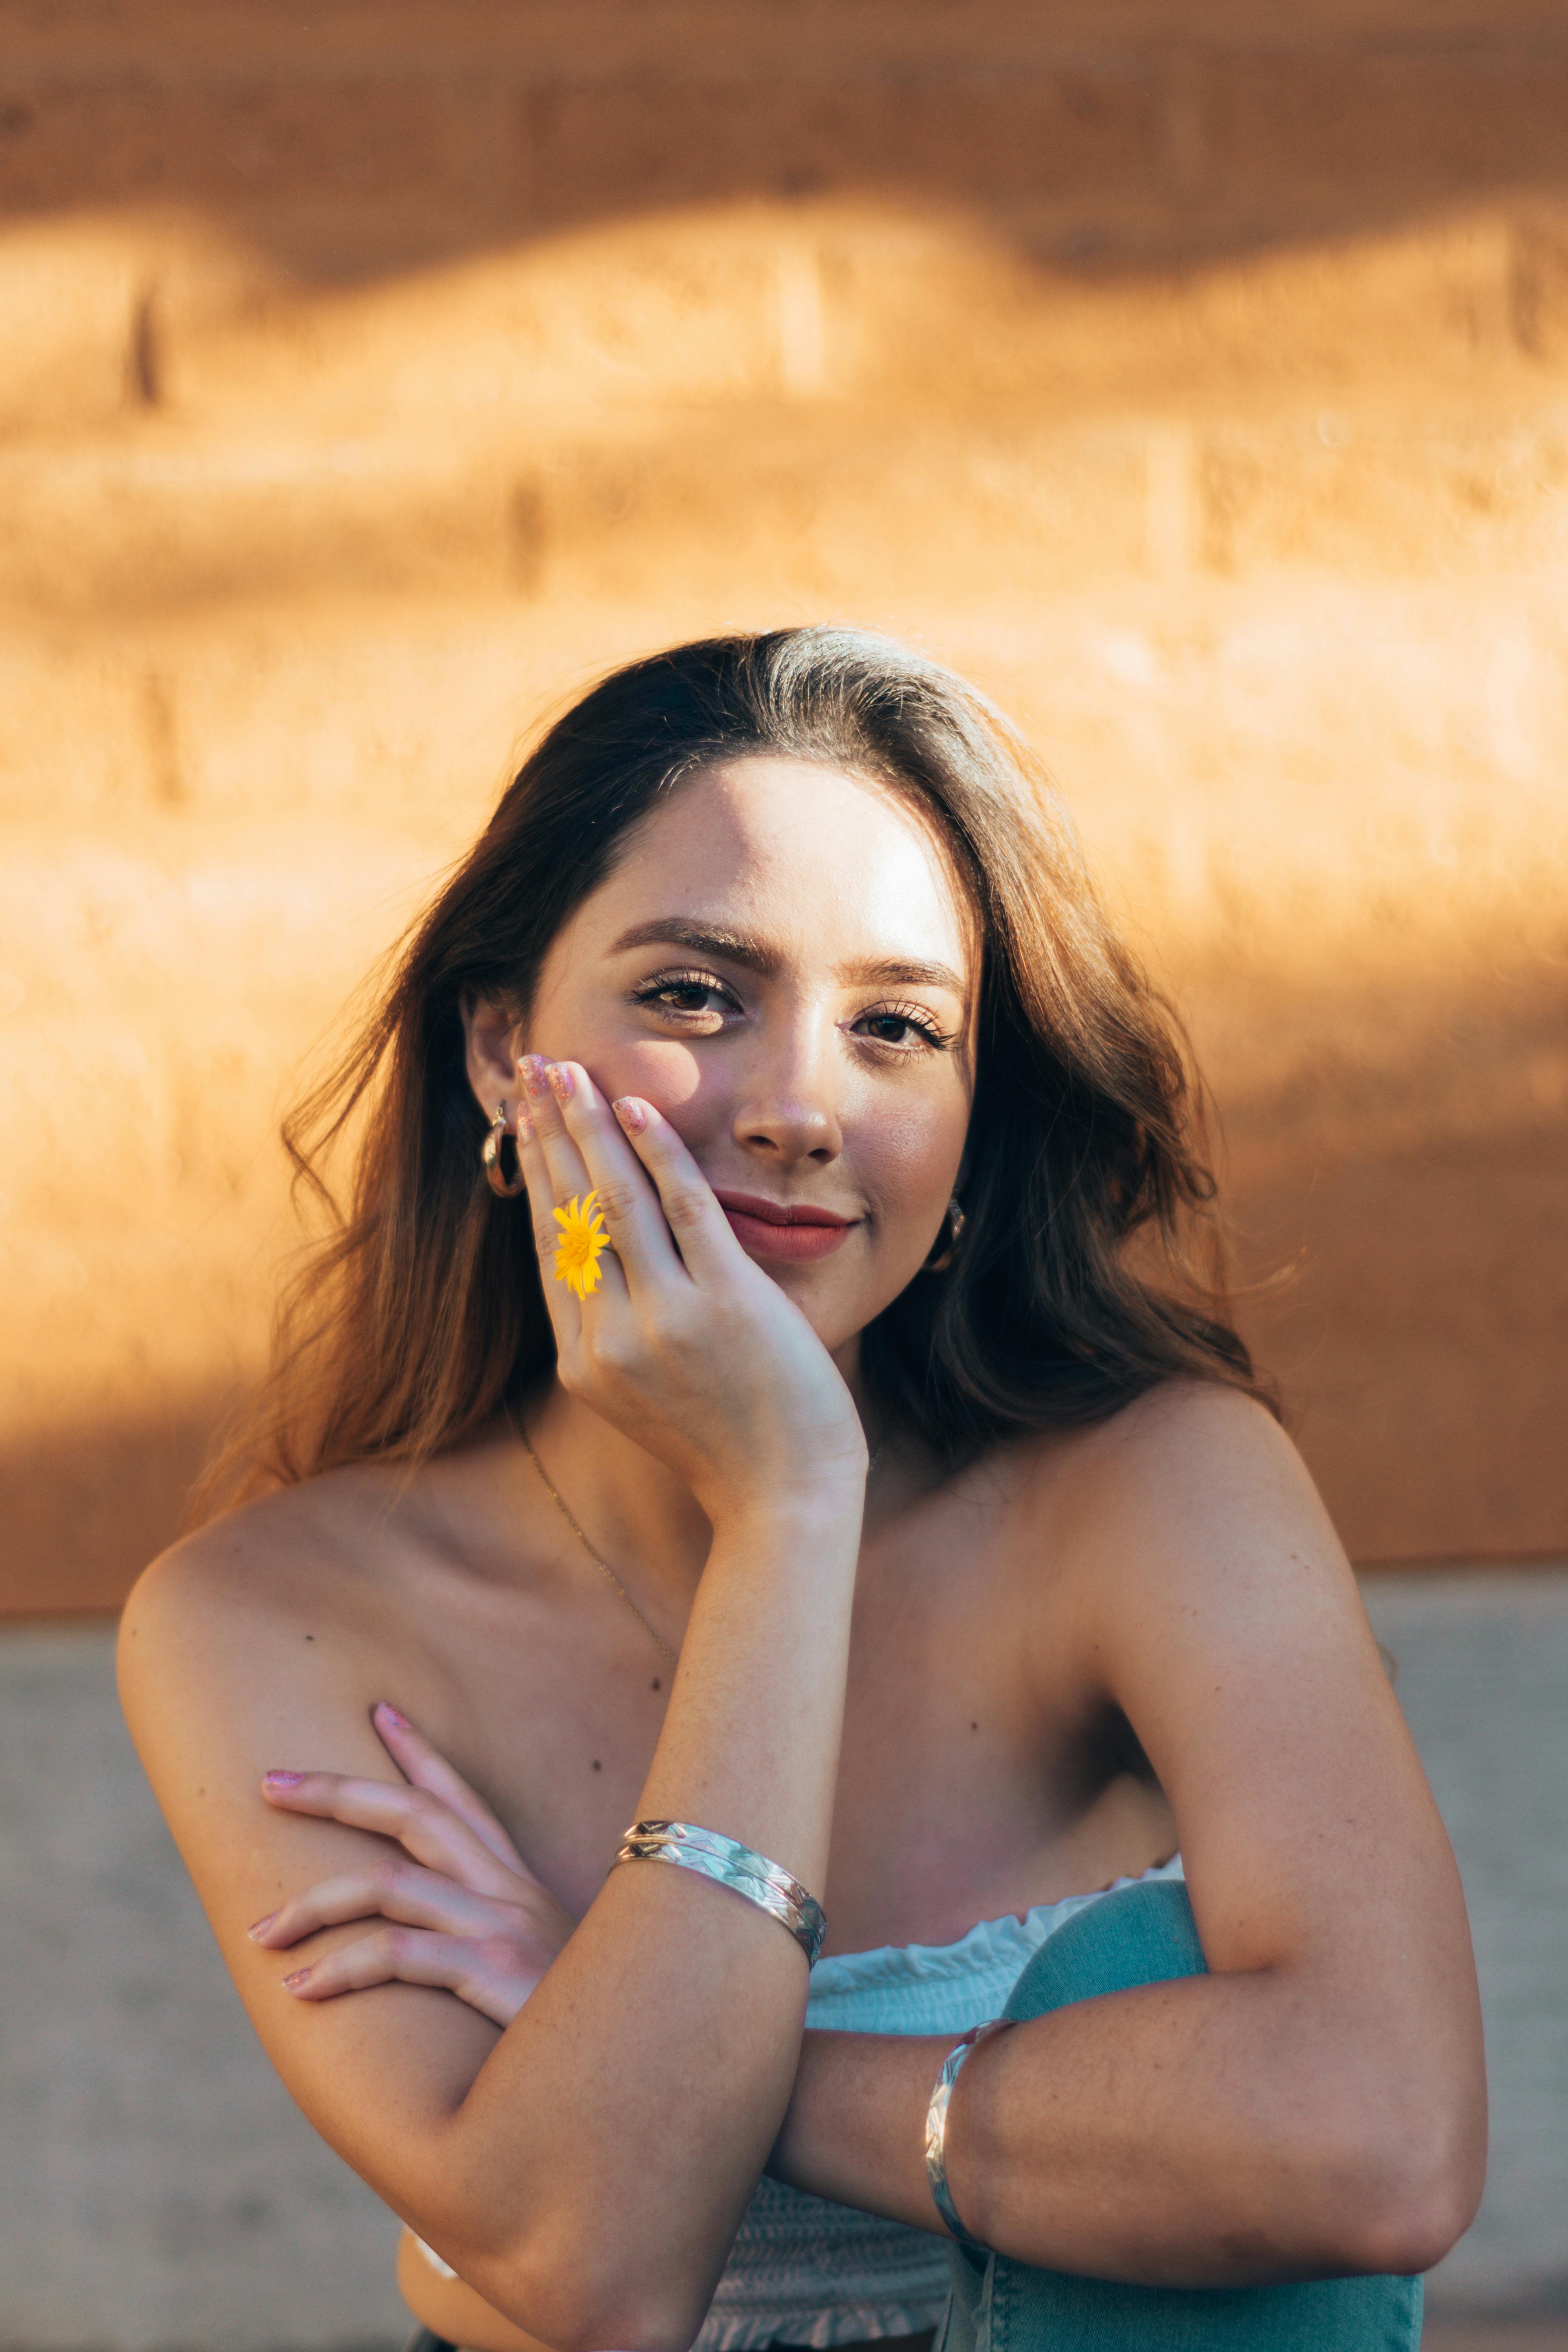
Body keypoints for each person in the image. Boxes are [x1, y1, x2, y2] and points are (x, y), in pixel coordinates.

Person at [119, 629, 1485, 2352]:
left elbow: (1377, 2147)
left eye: (898, 1027)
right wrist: (782, 1514)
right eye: (695, 996)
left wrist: (633, 2047)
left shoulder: (1154, 1483)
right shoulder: (267, 1618)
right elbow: (591, 2269)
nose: (797, 1110)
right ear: (494, 1047)